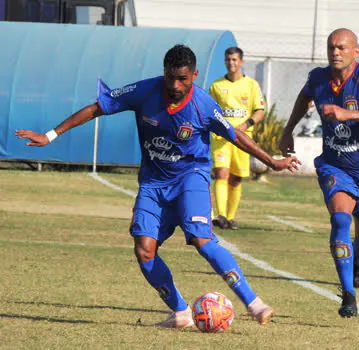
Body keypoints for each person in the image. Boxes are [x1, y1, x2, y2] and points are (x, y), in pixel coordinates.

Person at [15, 45, 300, 327]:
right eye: (170, 78)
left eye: (183, 79)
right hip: (153, 183)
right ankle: (181, 313)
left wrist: (272, 162)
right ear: (163, 73)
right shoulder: (145, 91)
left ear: (194, 75)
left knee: (202, 240)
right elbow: (96, 108)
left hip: (191, 177)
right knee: (144, 250)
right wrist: (50, 135)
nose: (175, 85)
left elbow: (236, 136)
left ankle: (253, 303)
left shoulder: (203, 105)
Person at [279, 28, 359, 317]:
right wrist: (288, 130)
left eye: (342, 47)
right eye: (331, 47)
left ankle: (357, 256)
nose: (336, 52)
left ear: (356, 52)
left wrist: (348, 114)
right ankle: (348, 296)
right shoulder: (318, 78)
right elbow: (304, 97)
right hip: (335, 165)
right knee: (340, 220)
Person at [209, 47, 265, 230]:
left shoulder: (251, 85)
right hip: (221, 138)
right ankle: (221, 216)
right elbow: (209, 111)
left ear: (241, 62)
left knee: (236, 179)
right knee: (221, 173)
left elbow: (260, 111)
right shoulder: (216, 86)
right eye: (228, 59)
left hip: (243, 139)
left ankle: (230, 217)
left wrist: (245, 125)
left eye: (234, 60)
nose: (231, 63)